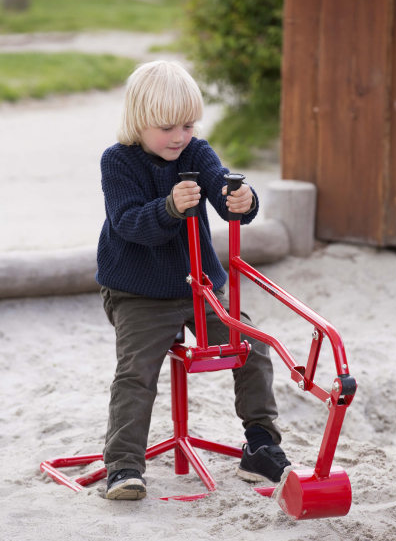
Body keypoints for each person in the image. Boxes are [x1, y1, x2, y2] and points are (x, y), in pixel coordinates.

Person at [96, 60, 290, 500]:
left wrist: (240, 198)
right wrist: (168, 208)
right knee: (136, 371)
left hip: (199, 288)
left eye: (187, 124)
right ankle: (124, 464)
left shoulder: (195, 153)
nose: (179, 136)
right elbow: (127, 223)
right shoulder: (118, 162)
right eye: (167, 127)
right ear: (139, 121)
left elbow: (223, 189)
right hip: (138, 293)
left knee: (252, 344)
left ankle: (260, 444)